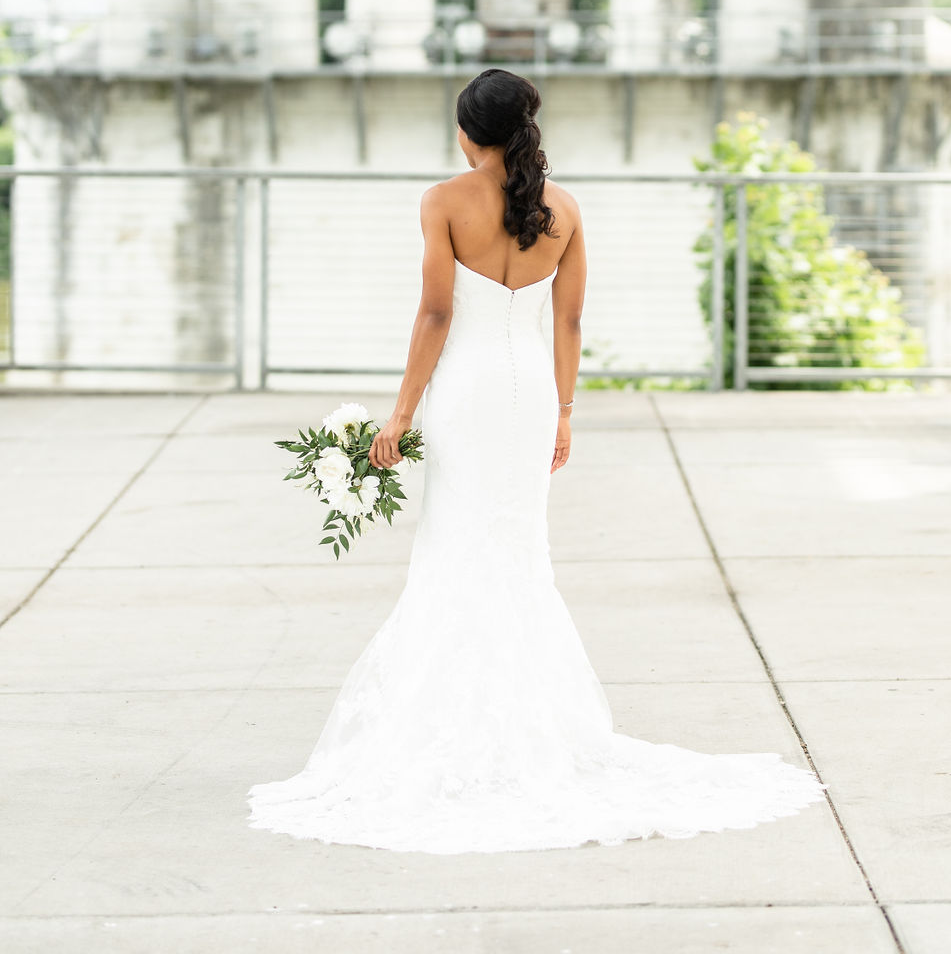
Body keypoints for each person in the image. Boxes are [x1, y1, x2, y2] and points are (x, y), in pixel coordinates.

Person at [248, 68, 826, 853]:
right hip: (527, 408)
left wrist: (401, 413)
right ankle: (535, 727)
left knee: (452, 553)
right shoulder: (567, 210)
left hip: (465, 398)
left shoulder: (444, 201)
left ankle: (454, 727)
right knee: (519, 557)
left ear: (466, 133)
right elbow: (571, 320)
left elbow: (436, 312)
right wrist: (563, 413)